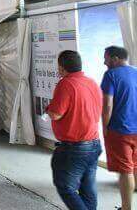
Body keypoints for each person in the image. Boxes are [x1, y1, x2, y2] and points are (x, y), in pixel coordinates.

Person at [46, 50, 103, 210]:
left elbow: (56, 114)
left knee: (65, 186)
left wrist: (48, 109)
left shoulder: (66, 83)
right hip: (93, 142)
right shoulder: (91, 82)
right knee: (88, 187)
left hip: (74, 146)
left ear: (62, 68)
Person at [100, 46, 137, 210]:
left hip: (121, 129)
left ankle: (126, 208)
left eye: (106, 58)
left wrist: (105, 126)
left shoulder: (111, 75)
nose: (104, 62)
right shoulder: (136, 72)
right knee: (135, 165)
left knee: (125, 170)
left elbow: (107, 104)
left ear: (115, 58)